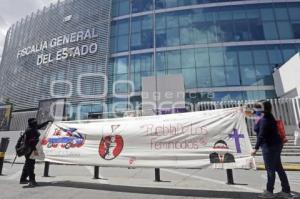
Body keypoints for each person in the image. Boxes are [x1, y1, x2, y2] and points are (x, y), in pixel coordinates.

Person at [251, 101, 292, 199]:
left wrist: (255, 149)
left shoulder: (265, 120)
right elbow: (254, 113)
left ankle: (269, 192)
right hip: (276, 145)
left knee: (270, 170)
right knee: (279, 168)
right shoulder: (268, 116)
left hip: (269, 147)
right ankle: (286, 191)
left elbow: (261, 136)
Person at [20, 118, 51, 187]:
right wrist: (36, 150)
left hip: (31, 149)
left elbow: (39, 126)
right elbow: (32, 142)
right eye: (35, 122)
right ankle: (32, 181)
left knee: (27, 164)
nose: (36, 123)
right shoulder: (30, 130)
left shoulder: (32, 128)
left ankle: (23, 179)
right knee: (31, 165)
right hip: (30, 150)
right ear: (31, 123)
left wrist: (47, 122)